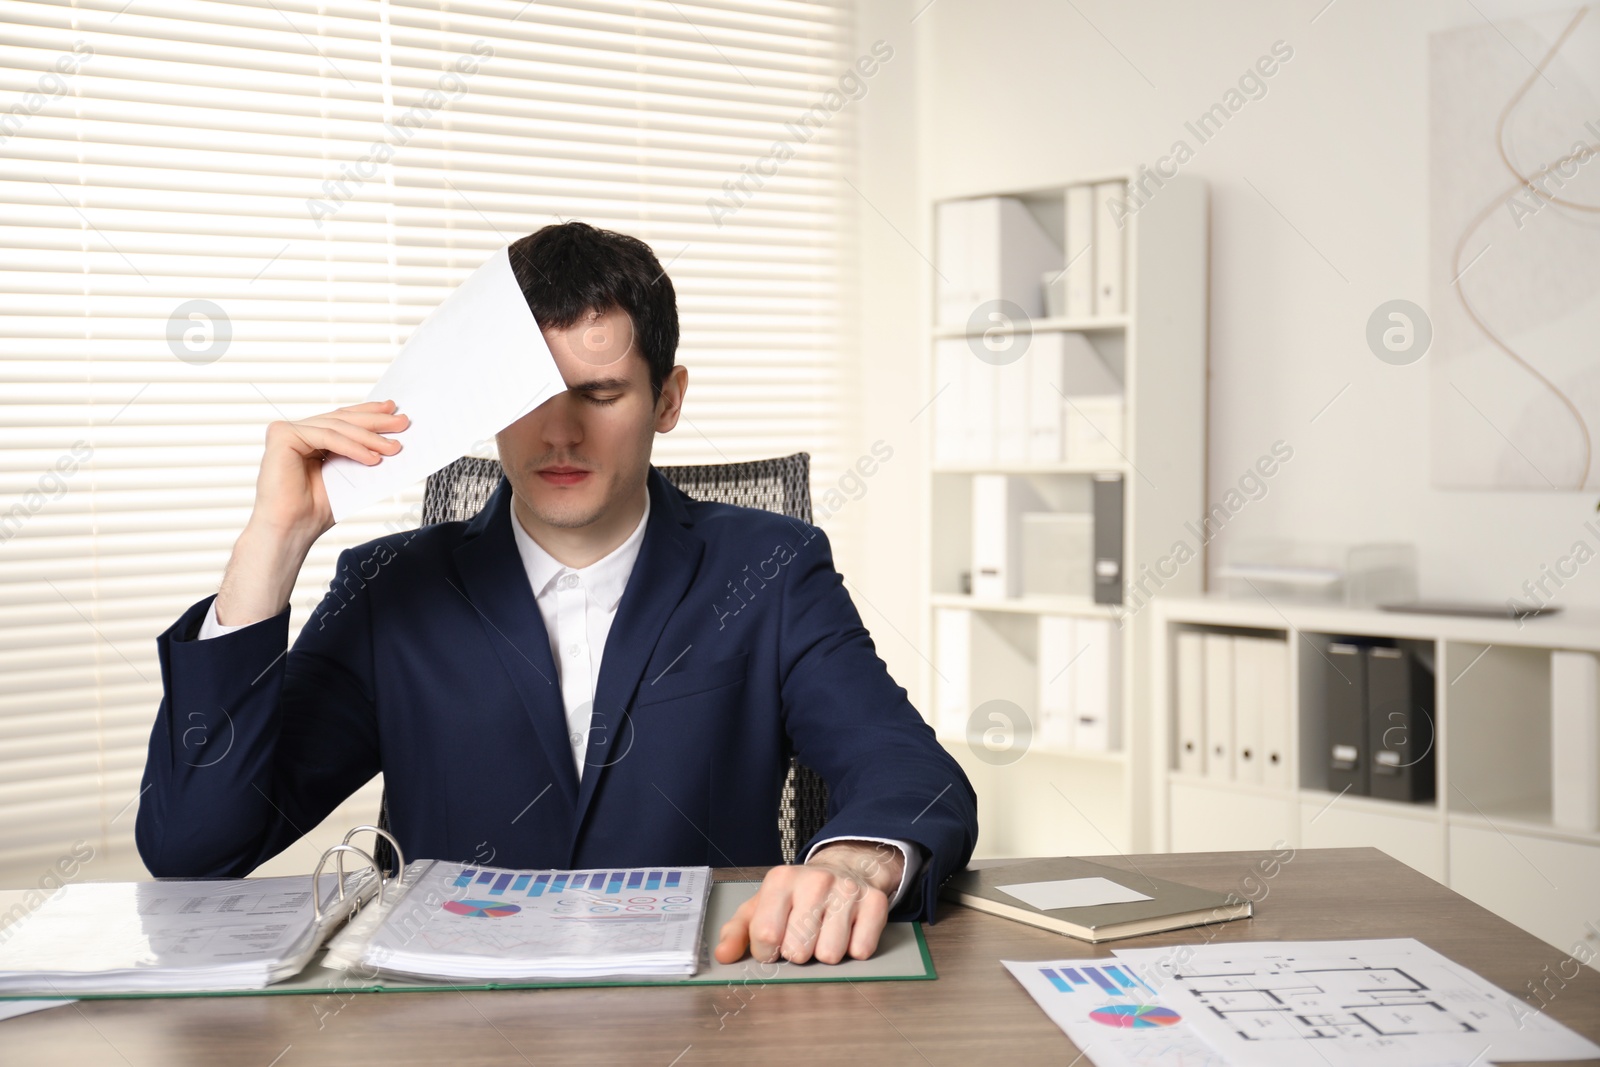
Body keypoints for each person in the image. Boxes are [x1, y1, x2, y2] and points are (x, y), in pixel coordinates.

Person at [136, 221, 977, 967]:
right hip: (459, 1030)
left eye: (600, 393)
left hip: (702, 1018)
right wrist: (271, 545)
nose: (560, 432)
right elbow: (194, 850)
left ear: (668, 400)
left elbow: (912, 773)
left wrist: (852, 864)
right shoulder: (388, 588)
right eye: (524, 397)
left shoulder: (773, 569)